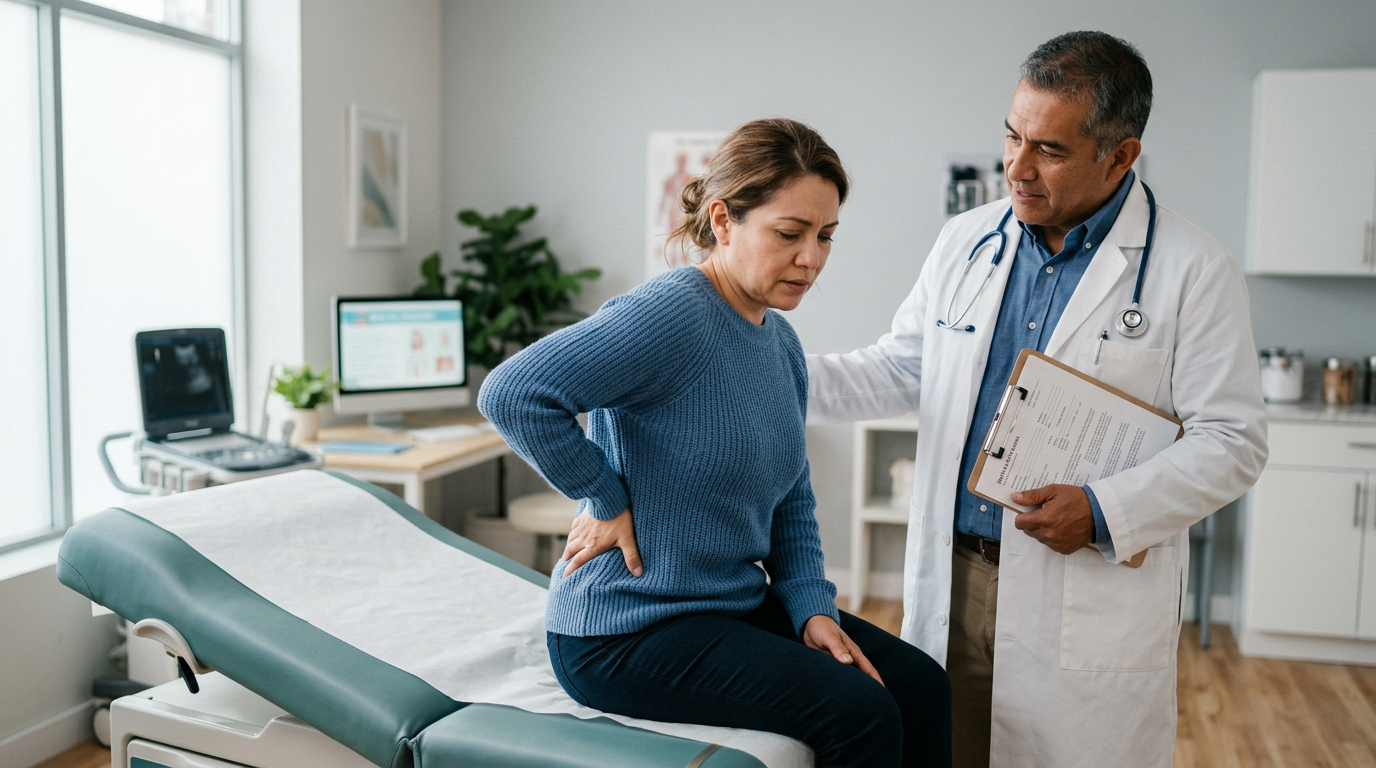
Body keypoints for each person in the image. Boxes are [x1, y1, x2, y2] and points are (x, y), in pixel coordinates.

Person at [806, 32, 1267, 768]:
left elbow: (1233, 441)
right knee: (944, 750)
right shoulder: (966, 240)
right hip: (953, 578)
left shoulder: (1194, 270)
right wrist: (763, 373)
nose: (1015, 169)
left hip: (1079, 589)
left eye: (1048, 150)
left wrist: (1104, 510)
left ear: (1119, 156)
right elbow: (900, 368)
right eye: (1012, 137)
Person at [480, 118, 952, 768]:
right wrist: (603, 495)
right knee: (860, 713)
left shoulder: (779, 343)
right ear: (724, 220)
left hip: (725, 602)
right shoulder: (672, 314)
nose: (811, 258)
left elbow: (792, 496)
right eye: (789, 234)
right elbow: (514, 392)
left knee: (922, 686)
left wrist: (812, 607)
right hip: (626, 628)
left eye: (824, 237)